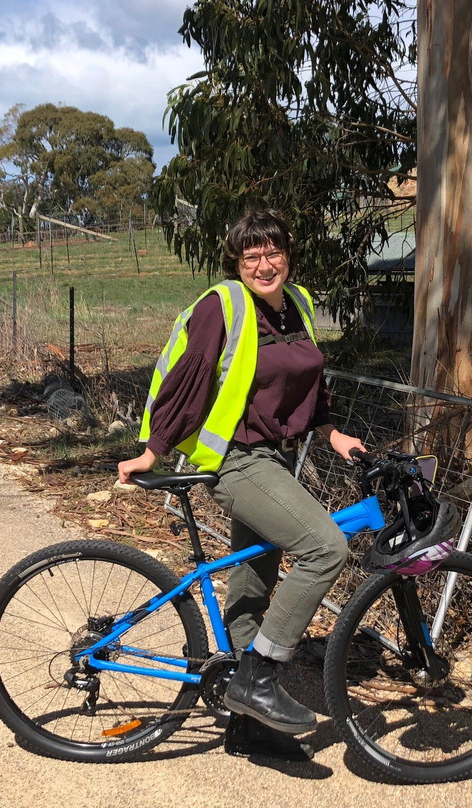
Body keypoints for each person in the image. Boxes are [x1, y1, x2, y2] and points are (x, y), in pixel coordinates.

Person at [118, 209, 365, 756]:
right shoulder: (223, 304)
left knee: (253, 583)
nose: (263, 263)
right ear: (236, 261)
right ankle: (256, 677)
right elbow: (192, 376)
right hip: (235, 461)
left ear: (288, 254)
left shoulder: (296, 303)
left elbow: (308, 381)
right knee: (324, 548)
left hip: (271, 458)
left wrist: (333, 434)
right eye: (250, 255)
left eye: (272, 251)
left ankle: (250, 725)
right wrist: (153, 450)